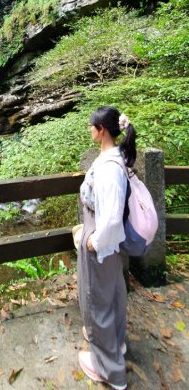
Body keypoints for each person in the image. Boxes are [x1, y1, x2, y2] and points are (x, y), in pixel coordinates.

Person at [77, 106, 136, 390]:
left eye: (92, 126)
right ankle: (116, 345)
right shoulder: (113, 157)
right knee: (112, 293)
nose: (89, 129)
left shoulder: (110, 167)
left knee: (97, 299)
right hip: (106, 239)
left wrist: (94, 240)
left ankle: (109, 370)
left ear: (101, 131)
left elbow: (111, 218)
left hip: (102, 239)